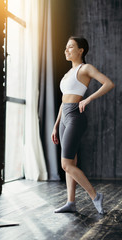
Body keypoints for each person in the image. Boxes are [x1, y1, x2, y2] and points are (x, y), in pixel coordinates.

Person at [51, 36, 115, 214]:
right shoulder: (66, 75)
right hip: (64, 117)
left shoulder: (85, 68)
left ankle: (96, 196)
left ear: (81, 50)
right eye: (66, 47)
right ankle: (71, 202)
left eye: (71, 47)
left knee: (66, 164)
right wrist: (55, 126)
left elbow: (108, 83)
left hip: (75, 117)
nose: (66, 50)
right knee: (71, 162)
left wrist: (88, 99)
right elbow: (63, 102)